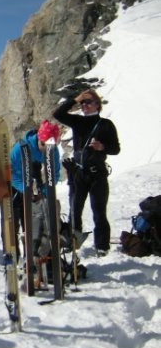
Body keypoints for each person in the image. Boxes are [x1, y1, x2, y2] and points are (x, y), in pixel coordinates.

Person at [53, 89, 120, 254]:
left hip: (97, 173)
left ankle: (102, 246)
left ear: (97, 104)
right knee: (75, 210)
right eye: (83, 103)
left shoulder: (105, 124)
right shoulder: (78, 122)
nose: (84, 105)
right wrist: (75, 99)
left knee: (99, 211)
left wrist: (102, 147)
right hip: (79, 172)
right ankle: (73, 242)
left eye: (88, 102)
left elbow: (116, 149)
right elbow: (58, 114)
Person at [9, 120, 60, 259]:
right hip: (16, 182)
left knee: (33, 220)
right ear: (39, 138)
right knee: (13, 219)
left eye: (51, 145)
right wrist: (23, 189)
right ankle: (12, 255)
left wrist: (42, 192)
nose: (47, 149)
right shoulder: (21, 148)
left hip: (33, 179)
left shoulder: (52, 150)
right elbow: (9, 171)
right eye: (44, 144)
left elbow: (54, 174)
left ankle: (31, 255)